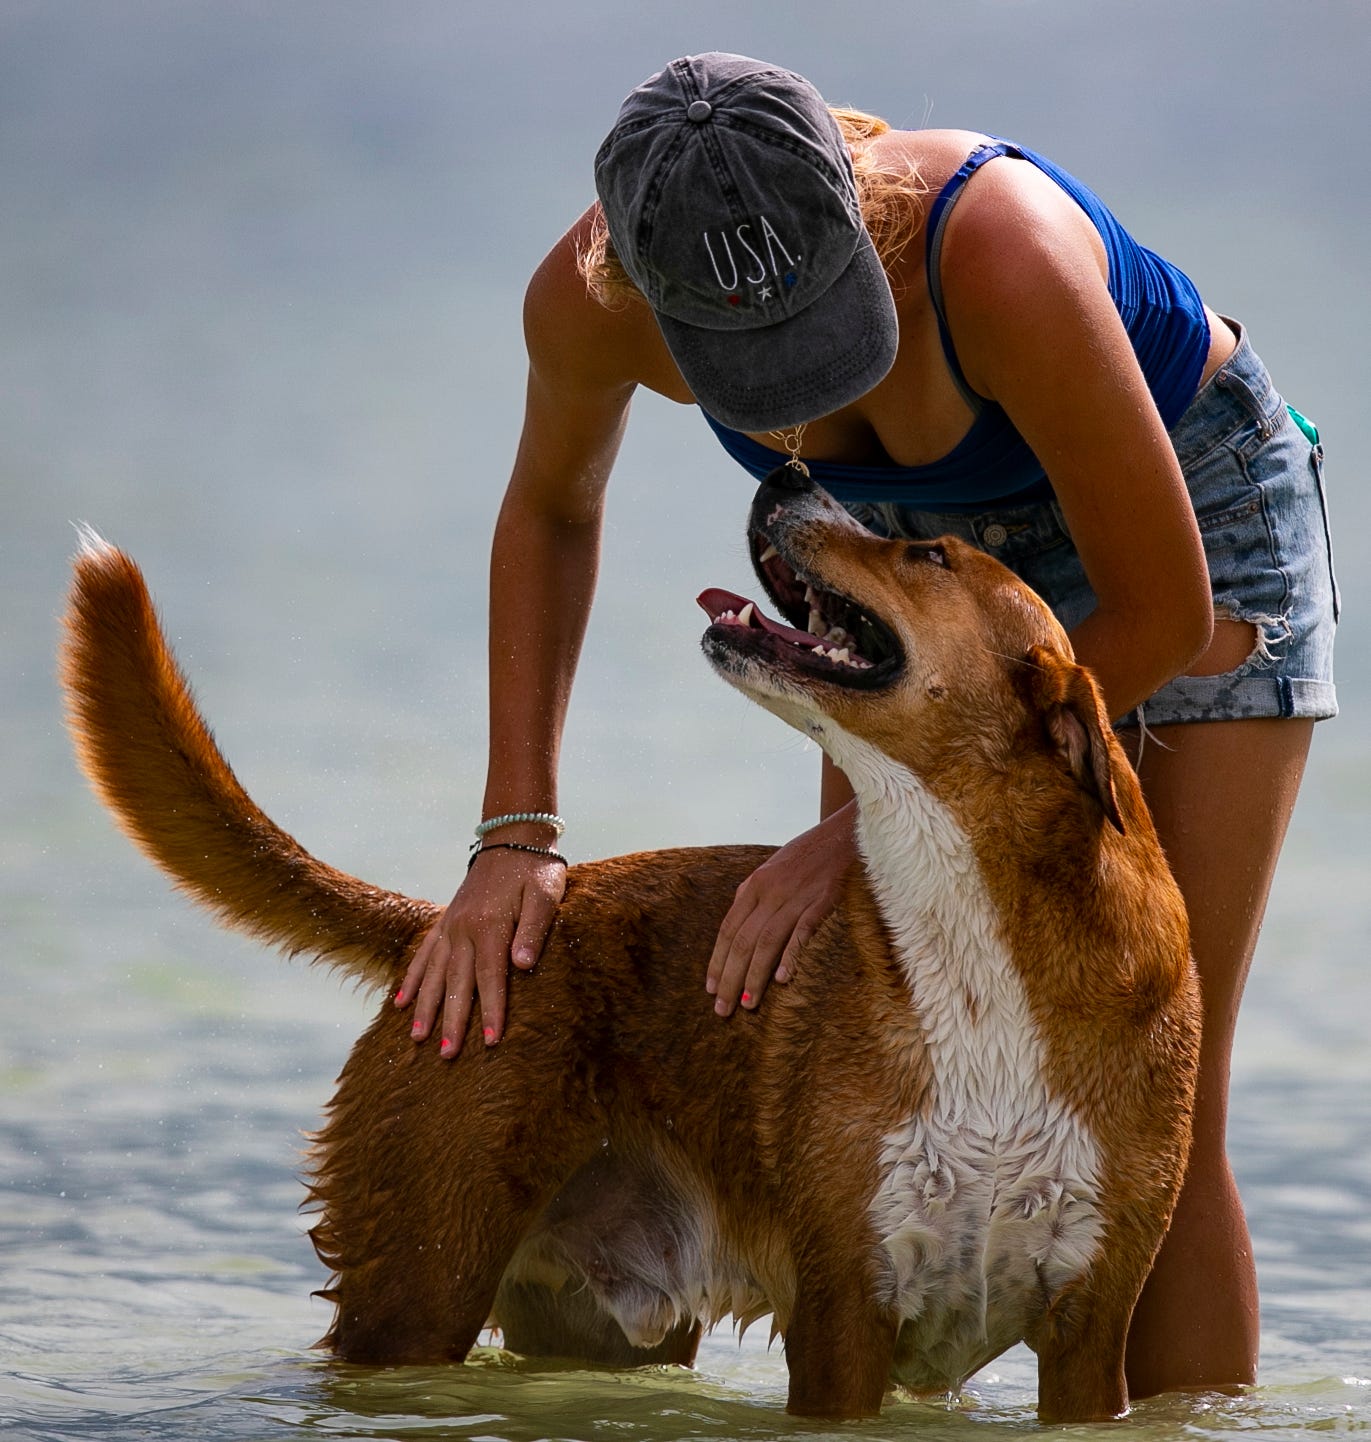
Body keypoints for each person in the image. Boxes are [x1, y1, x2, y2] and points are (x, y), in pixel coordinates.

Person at [395, 53, 1338, 1398]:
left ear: (857, 218)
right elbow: (550, 508)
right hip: (914, 575)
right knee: (886, 1084)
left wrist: (869, 831)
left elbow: (1165, 607)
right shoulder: (588, 300)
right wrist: (513, 833)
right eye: (744, 367)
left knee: (1152, 1091)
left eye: (818, 334)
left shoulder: (996, 252)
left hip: (1181, 534)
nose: (789, 400)